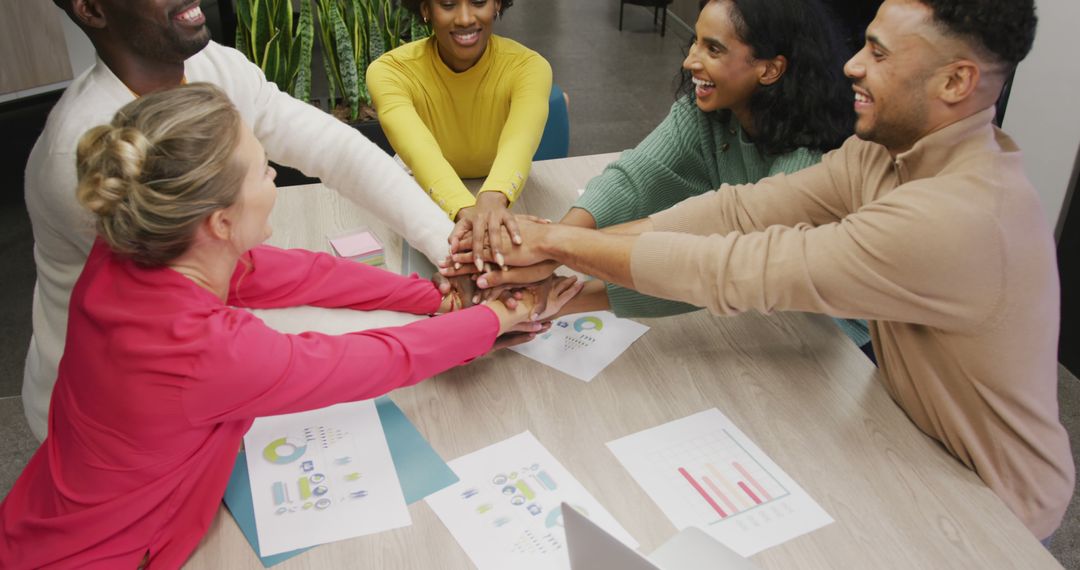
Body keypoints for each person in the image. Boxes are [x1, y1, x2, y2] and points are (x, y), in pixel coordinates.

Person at [450, 0, 1074, 542]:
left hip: (989, 503)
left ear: (956, 80)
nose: (853, 65)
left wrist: (558, 247)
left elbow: (742, 267)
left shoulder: (957, 217)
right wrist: (558, 250)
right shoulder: (883, 156)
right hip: (907, 440)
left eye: (879, 53)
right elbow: (738, 213)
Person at [0, 83, 581, 569]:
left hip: (34, 521)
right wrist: (499, 314)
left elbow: (304, 275)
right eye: (261, 171)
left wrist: (431, 298)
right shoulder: (205, 353)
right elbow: (377, 360)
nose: (274, 174)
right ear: (221, 222)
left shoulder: (135, 248)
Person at [21, 0, 460, 442]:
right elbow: (236, 330)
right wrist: (448, 331)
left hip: (194, 384)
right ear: (92, 10)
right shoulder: (84, 158)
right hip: (108, 426)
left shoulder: (210, 65)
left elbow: (334, 149)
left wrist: (453, 252)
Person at [454, 0, 872, 354]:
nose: (690, 60)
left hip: (827, 343)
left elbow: (712, 268)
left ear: (770, 69)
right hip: (755, 318)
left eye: (713, 48)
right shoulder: (708, 112)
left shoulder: (809, 162)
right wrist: (548, 254)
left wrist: (554, 284)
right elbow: (635, 178)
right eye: (695, 41)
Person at [367, 0, 552, 266]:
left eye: (478, 1)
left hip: (500, 184)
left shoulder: (529, 67)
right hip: (422, 187)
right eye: (448, 4)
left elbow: (519, 142)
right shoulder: (390, 72)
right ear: (425, 9)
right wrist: (468, 211)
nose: (465, 18)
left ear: (497, 4)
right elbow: (420, 152)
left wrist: (493, 197)